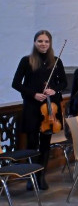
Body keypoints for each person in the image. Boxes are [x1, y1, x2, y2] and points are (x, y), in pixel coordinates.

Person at [12, 30, 67, 190]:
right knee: (32, 143)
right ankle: (30, 177)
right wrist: (34, 94)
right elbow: (16, 83)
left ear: (50, 44)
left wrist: (54, 90)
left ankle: (41, 176)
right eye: (40, 41)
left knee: (45, 143)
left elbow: (63, 83)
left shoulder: (56, 61)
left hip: (50, 108)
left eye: (46, 41)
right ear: (35, 43)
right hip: (32, 106)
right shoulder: (26, 61)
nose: (43, 44)